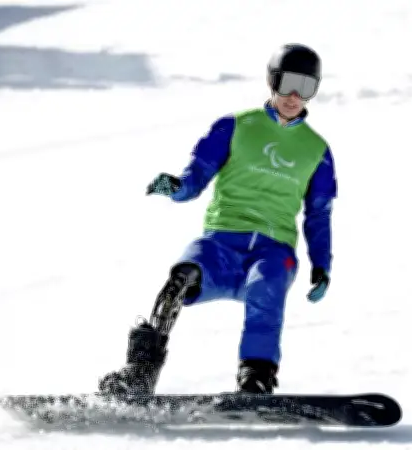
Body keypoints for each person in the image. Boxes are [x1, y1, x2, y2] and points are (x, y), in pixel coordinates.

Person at [99, 43, 338, 396]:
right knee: (181, 278)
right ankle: (139, 373)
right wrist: (177, 187)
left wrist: (321, 266)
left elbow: (318, 216)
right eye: (288, 83)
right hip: (220, 245)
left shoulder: (317, 150)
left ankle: (256, 377)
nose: (294, 96)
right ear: (272, 81)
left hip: (273, 251)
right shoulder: (235, 127)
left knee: (267, 286)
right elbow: (195, 177)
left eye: (305, 87)